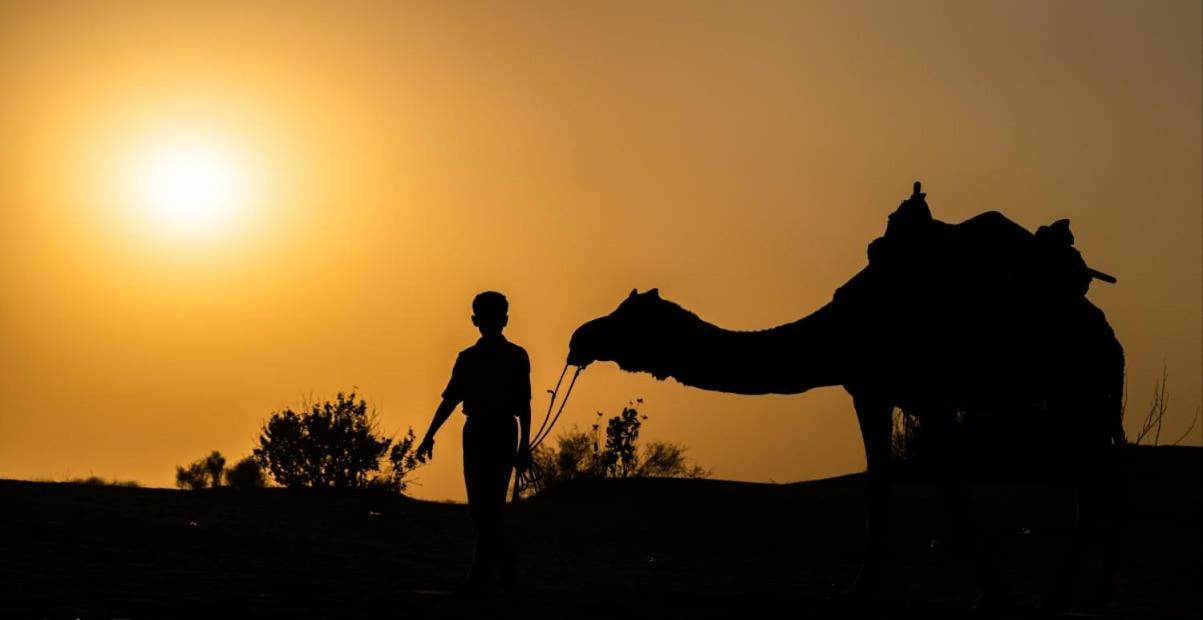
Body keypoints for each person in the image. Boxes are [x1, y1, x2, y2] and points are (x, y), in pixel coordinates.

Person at [416, 291, 533, 592]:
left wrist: (523, 447)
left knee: (485, 507)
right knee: (484, 508)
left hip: (489, 432)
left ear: (474, 320)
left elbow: (521, 404)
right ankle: (500, 565)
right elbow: (522, 406)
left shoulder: (480, 358)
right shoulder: (506, 356)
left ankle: (483, 573)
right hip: (492, 432)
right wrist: (430, 435)